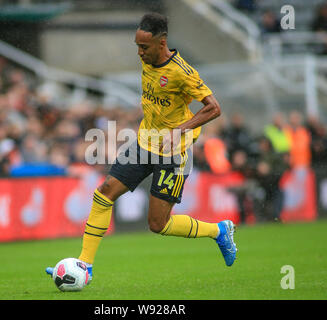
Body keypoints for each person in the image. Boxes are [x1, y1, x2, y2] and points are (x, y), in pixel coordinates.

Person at [46, 13, 237, 283]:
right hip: (144, 144)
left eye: (144, 47)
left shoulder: (182, 72)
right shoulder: (147, 60)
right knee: (104, 192)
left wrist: (179, 130)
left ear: (162, 43)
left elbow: (214, 108)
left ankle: (218, 231)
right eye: (137, 46)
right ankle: (85, 266)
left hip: (175, 153)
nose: (139, 53)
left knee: (158, 224)